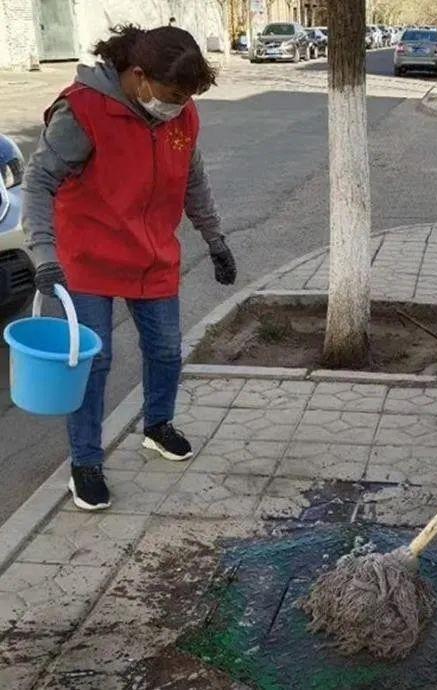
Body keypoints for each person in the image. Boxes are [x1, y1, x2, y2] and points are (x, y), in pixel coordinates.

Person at [22, 25, 237, 512]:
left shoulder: (182, 114)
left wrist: (216, 239)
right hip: (87, 260)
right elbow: (37, 184)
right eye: (171, 95)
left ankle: (158, 425)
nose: (179, 106)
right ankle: (86, 463)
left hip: (152, 256)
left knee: (165, 350)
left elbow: (193, 180)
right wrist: (44, 255)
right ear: (138, 77)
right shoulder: (82, 111)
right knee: (92, 365)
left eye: (187, 98)